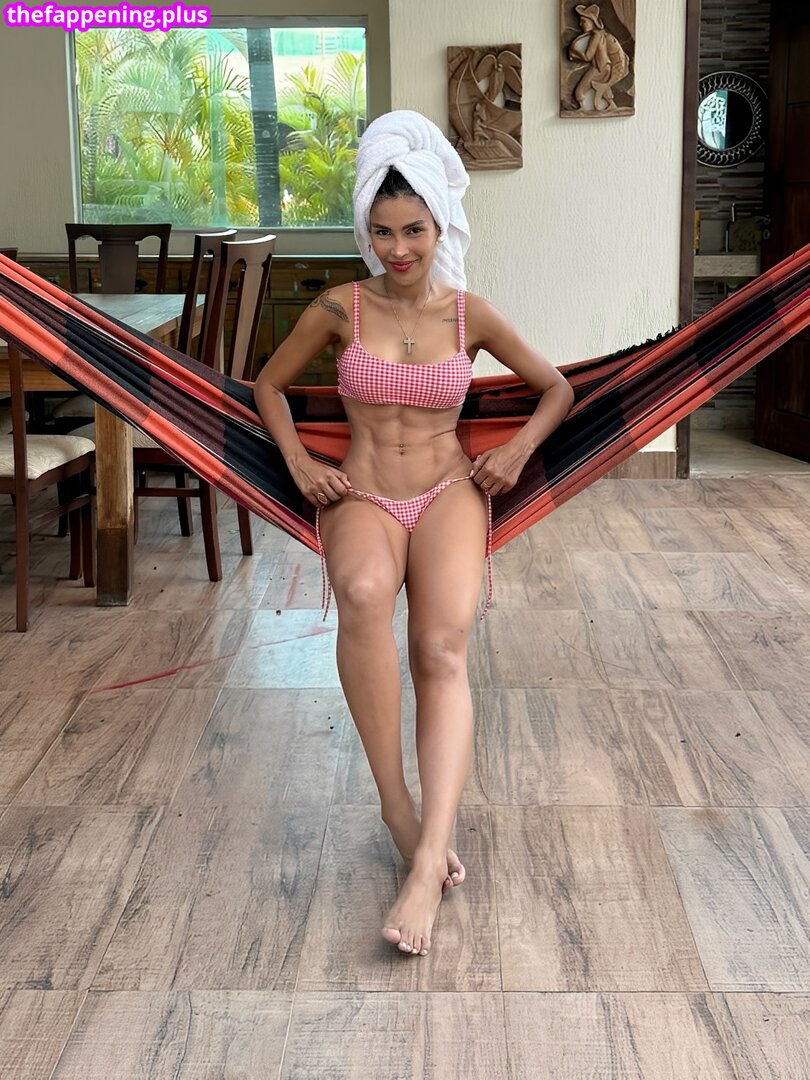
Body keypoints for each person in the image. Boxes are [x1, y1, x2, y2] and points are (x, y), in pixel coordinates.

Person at [253, 110, 574, 958]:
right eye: (383, 231)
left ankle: (429, 857)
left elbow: (557, 389)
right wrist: (297, 462)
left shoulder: (470, 316)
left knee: (439, 647)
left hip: (447, 490)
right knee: (362, 592)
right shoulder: (338, 308)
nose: (398, 249)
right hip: (360, 488)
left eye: (415, 231)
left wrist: (516, 449)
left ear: (441, 228)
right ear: (367, 231)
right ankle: (398, 807)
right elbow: (268, 386)